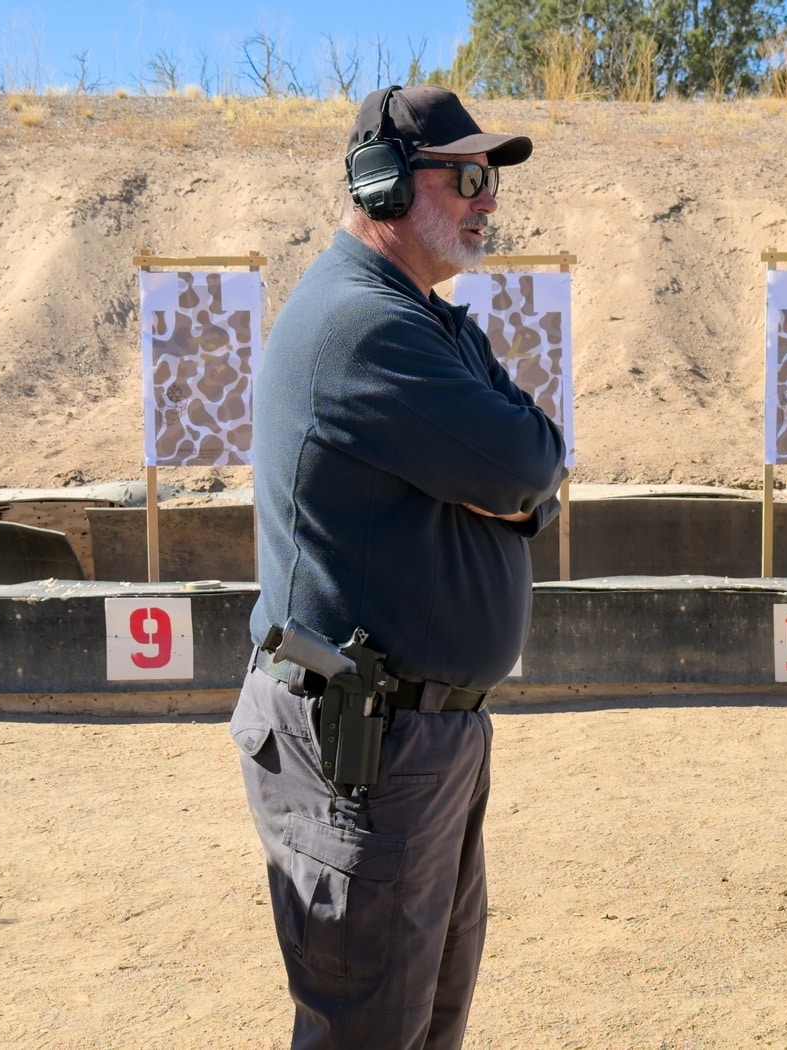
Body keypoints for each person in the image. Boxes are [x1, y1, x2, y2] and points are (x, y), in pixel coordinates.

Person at [231, 85, 567, 1050]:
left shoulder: (430, 320)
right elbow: (520, 463)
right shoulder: (361, 323)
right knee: (372, 1029)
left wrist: (521, 485)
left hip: (423, 743)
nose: (487, 196)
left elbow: (536, 457)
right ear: (381, 185)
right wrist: (518, 483)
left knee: (425, 1023)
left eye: (490, 177)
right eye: (466, 175)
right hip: (367, 751)